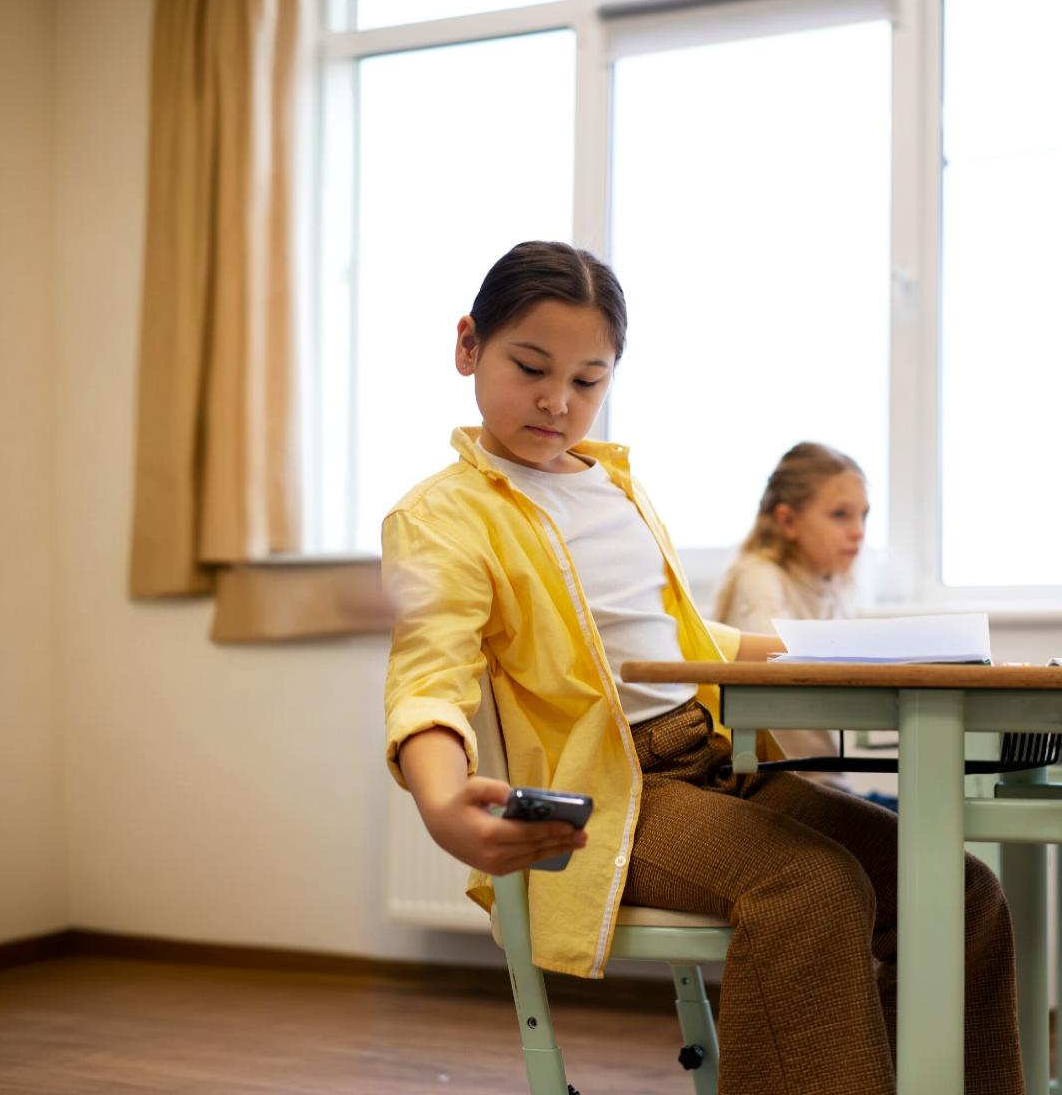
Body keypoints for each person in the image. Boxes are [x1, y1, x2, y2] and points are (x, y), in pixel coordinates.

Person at [381, 241, 1025, 1094]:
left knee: (958, 892)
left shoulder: (613, 487)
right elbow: (431, 674)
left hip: (717, 762)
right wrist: (441, 801)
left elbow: (690, 642)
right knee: (810, 887)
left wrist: (896, 648)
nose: (556, 401)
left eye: (588, 380)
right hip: (623, 791)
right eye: (530, 367)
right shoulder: (442, 517)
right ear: (469, 346)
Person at [713, 442, 870, 794]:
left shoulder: (835, 586)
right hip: (776, 785)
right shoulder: (760, 577)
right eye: (841, 515)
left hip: (825, 781)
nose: (859, 530)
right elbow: (779, 667)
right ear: (787, 521)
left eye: (864, 515)